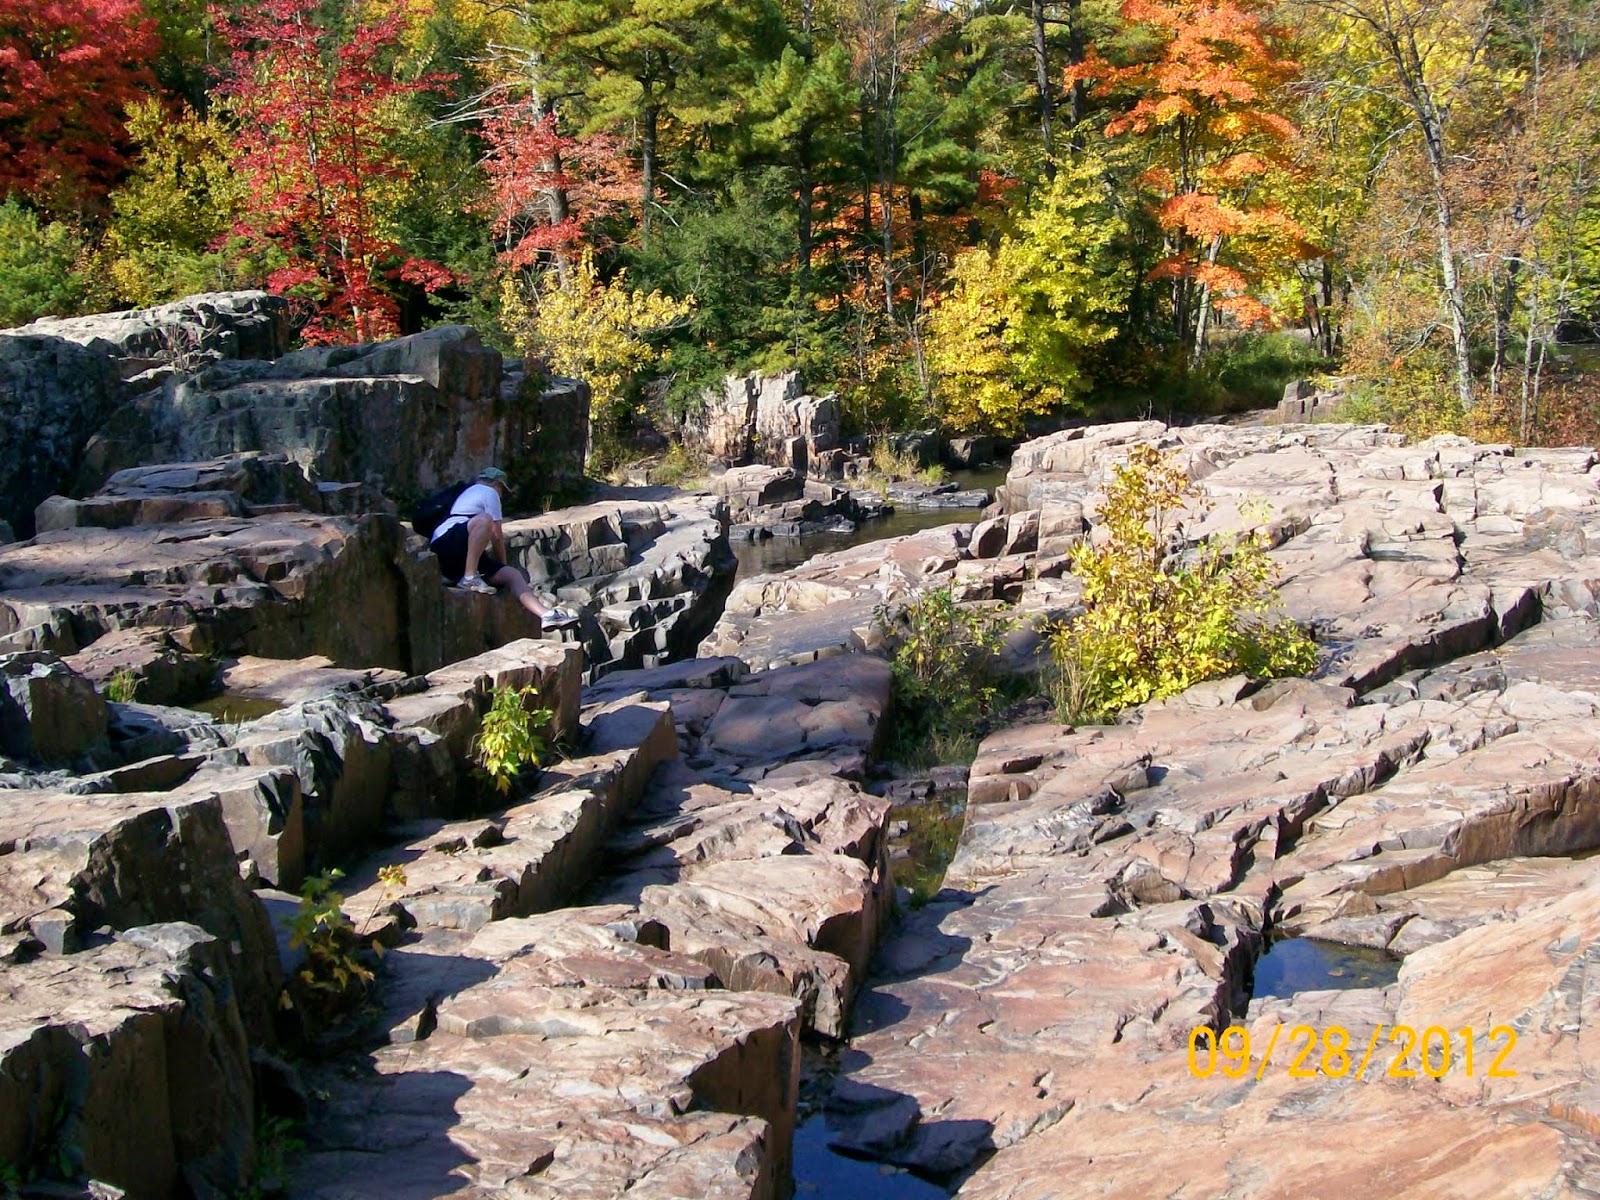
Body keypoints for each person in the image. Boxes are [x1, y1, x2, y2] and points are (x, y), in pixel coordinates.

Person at [431, 467, 579, 628]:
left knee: (512, 575)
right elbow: (497, 535)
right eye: (502, 490)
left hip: (456, 555)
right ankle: (469, 578)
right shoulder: (488, 492)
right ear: (496, 484)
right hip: (447, 542)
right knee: (485, 520)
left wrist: (502, 569)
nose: (501, 495)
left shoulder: (468, 493)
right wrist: (502, 562)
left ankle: (546, 615)